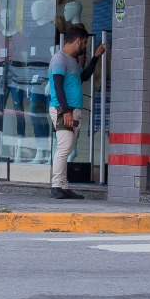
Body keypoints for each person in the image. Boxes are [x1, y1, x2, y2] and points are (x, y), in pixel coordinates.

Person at [48, 26, 105, 199]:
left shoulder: (71, 60)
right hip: (63, 109)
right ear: (78, 40)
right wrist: (65, 111)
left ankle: (63, 186)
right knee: (64, 147)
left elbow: (84, 76)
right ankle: (56, 186)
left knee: (68, 147)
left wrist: (95, 57)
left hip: (72, 110)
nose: (84, 46)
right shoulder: (59, 59)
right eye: (85, 42)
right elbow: (57, 85)